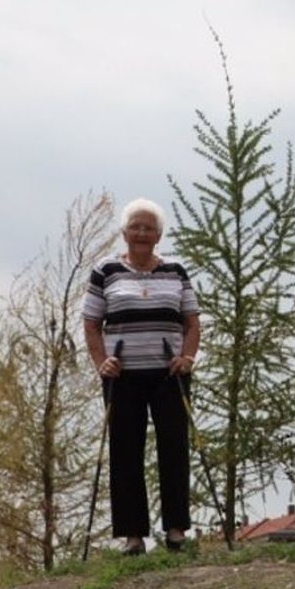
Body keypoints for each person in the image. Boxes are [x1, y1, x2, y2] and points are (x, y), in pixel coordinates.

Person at [82, 198, 201, 555]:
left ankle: (176, 530)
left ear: (159, 235)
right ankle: (133, 536)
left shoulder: (176, 271)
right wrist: (101, 362)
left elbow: (192, 322)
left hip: (169, 372)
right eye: (135, 226)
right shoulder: (106, 271)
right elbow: (91, 323)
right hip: (123, 374)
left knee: (174, 448)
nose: (142, 233)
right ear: (124, 232)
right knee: (125, 451)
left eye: (149, 228)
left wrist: (188, 357)